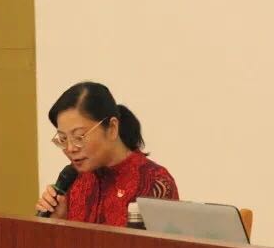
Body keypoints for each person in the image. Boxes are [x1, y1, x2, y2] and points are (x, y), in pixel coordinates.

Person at [35, 81, 179, 226]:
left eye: (79, 137)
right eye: (63, 139)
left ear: (112, 128)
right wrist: (60, 222)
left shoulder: (154, 182)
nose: (70, 148)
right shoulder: (73, 180)